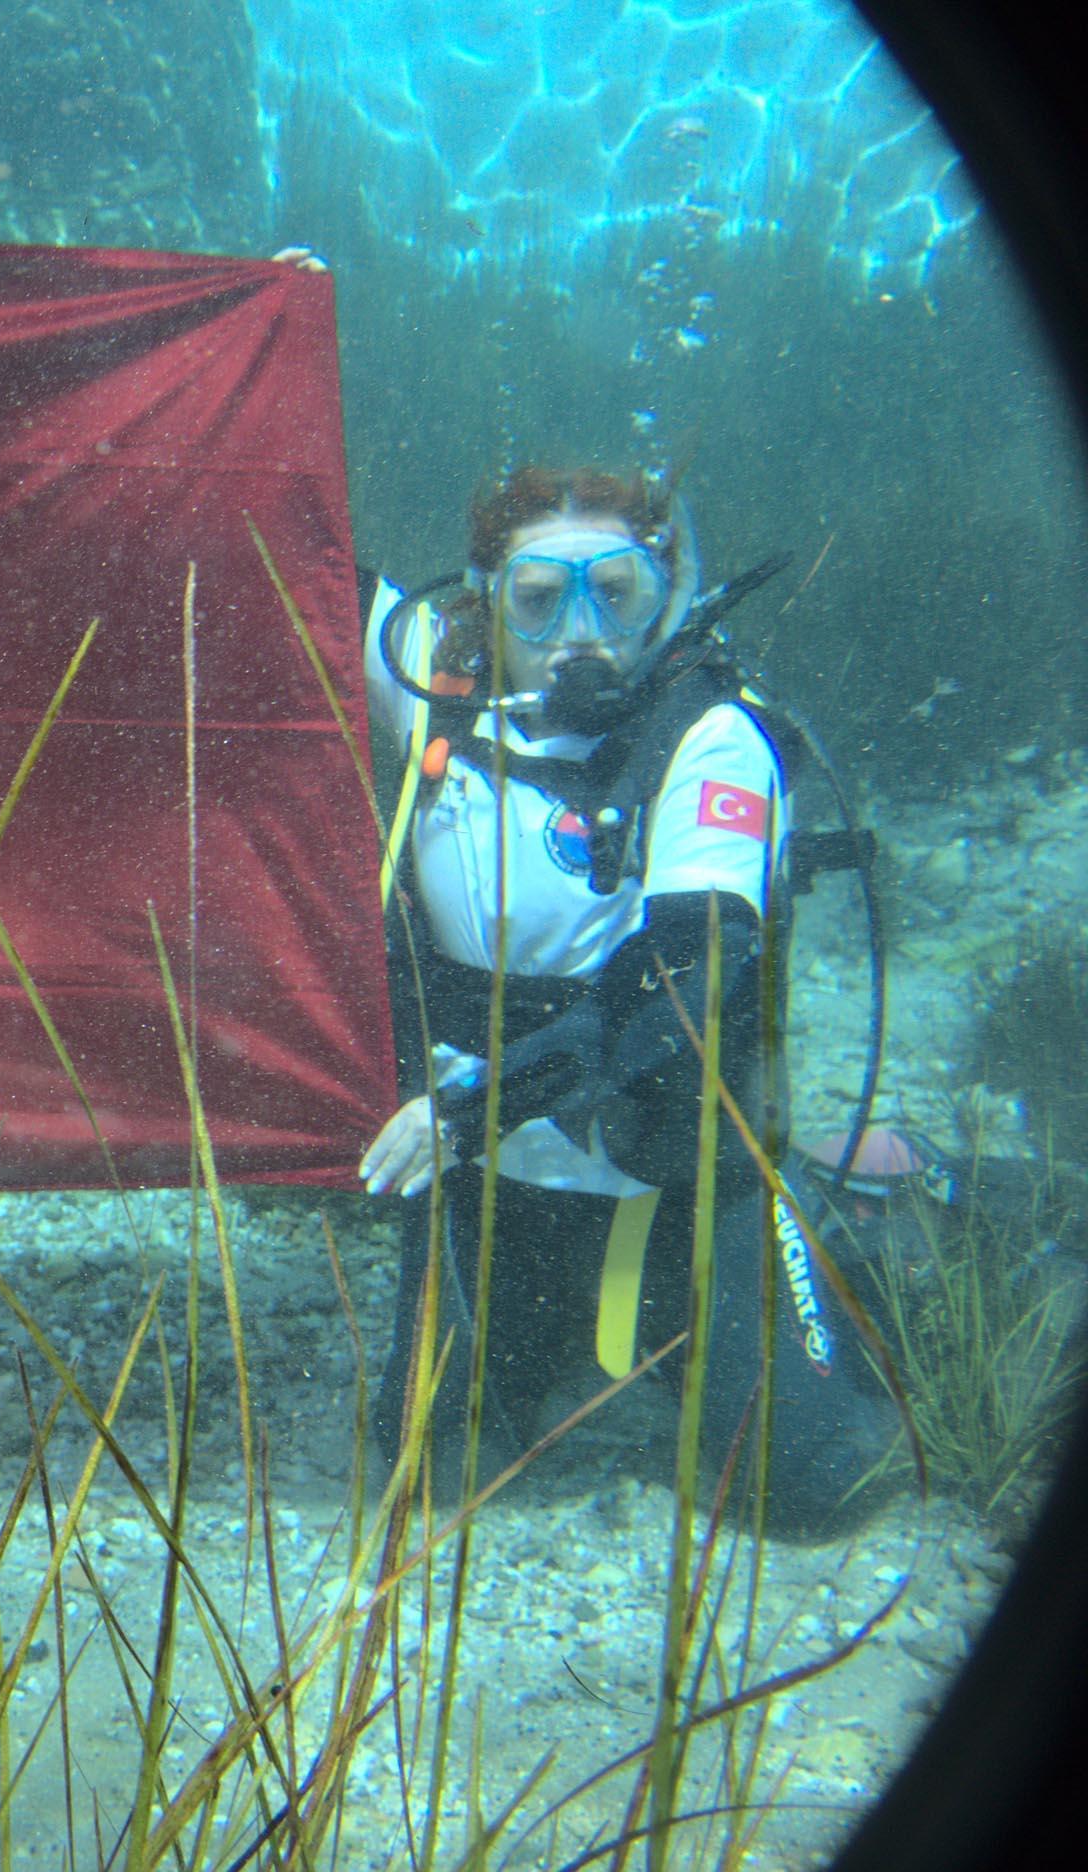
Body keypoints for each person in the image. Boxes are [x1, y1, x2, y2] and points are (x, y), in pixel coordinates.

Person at [357, 464, 896, 1532]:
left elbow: (678, 990)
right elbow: (287, 542)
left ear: (672, 589)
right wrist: (259, 310)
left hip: (677, 1181)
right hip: (494, 1190)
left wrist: (464, 1106)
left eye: (617, 591)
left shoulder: (710, 739)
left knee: (822, 1489)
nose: (579, 631)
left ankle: (883, 1225)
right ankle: (563, 1341)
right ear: (483, 597)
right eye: (539, 598)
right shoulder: (437, 673)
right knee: (433, 1474)